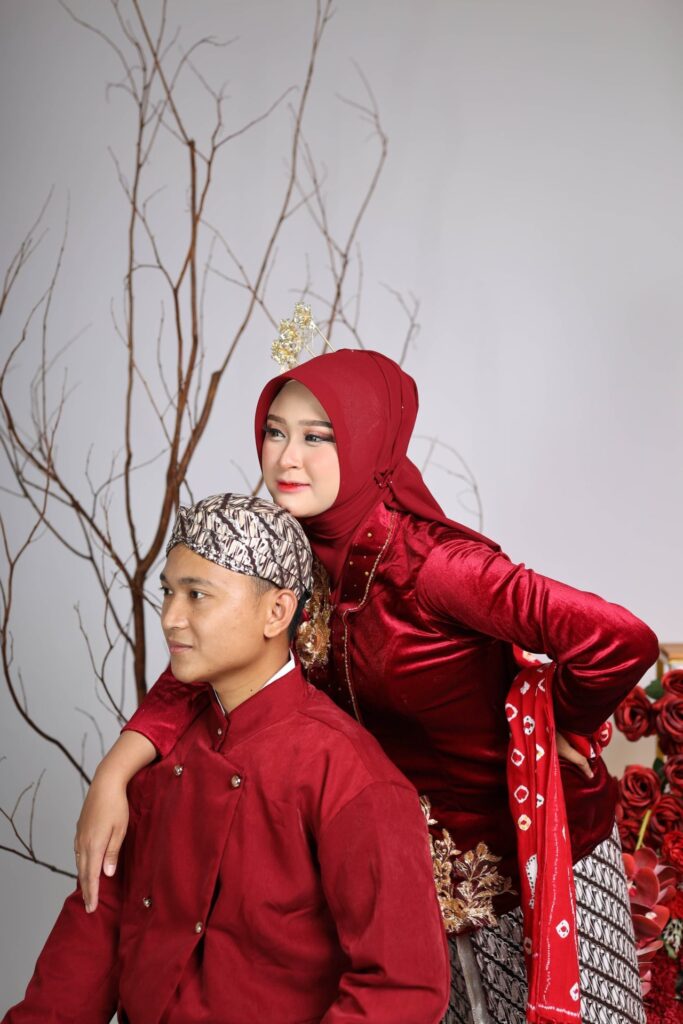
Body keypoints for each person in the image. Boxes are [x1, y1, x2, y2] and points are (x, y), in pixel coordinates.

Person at [75, 349, 659, 1024]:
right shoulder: (290, 552)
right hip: (406, 879)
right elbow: (206, 656)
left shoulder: (435, 567)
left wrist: (556, 722)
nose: (286, 458)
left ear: (368, 441)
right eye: (274, 431)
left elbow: (620, 638)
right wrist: (114, 772)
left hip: (537, 860)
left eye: (317, 437)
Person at [3, 493, 450, 1024]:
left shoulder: (351, 776)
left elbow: (402, 989)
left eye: (197, 595)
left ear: (277, 612)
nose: (171, 618)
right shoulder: (160, 753)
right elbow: (95, 929)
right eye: (168, 592)